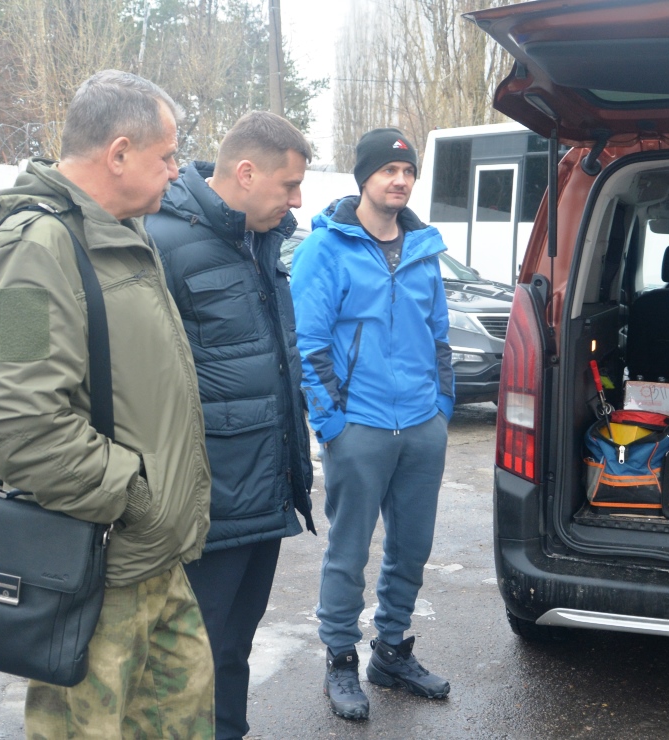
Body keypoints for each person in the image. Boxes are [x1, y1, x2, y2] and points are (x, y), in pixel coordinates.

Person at [0, 70, 215, 739]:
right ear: (119, 153)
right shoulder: (32, 252)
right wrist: (132, 495)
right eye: (166, 157)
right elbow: (13, 424)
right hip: (97, 567)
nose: (177, 172)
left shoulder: (118, 234)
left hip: (153, 561)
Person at [145, 111, 317, 740]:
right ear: (246, 173)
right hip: (205, 505)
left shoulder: (260, 240)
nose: (298, 200)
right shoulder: (161, 241)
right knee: (189, 661)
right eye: (289, 186)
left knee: (230, 654)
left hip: (262, 494)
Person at [290, 127, 454, 721]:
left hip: (420, 423)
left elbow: (439, 338)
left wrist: (441, 409)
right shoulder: (326, 249)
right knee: (349, 549)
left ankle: (392, 650)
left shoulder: (423, 248)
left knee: (412, 546)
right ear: (364, 177)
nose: (400, 181)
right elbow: (308, 345)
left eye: (407, 173)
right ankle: (340, 659)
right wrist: (331, 422)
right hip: (357, 425)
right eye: (389, 171)